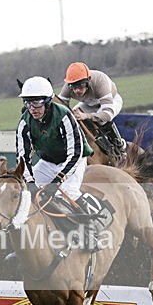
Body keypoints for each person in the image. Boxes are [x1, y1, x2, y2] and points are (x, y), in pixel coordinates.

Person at [16, 75, 102, 248]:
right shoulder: (25, 122)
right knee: (27, 194)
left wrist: (57, 180)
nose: (32, 109)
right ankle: (24, 245)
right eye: (28, 103)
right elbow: (22, 157)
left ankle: (91, 232)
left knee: (68, 191)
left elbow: (75, 153)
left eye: (37, 103)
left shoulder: (64, 116)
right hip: (47, 162)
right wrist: (30, 182)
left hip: (73, 160)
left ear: (48, 101)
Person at [56, 61, 125, 156]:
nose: (77, 91)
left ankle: (119, 145)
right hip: (89, 103)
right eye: (73, 87)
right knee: (74, 118)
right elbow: (60, 108)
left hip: (111, 101)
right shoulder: (68, 86)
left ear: (88, 80)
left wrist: (86, 116)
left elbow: (107, 114)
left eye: (80, 86)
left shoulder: (100, 80)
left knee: (101, 121)